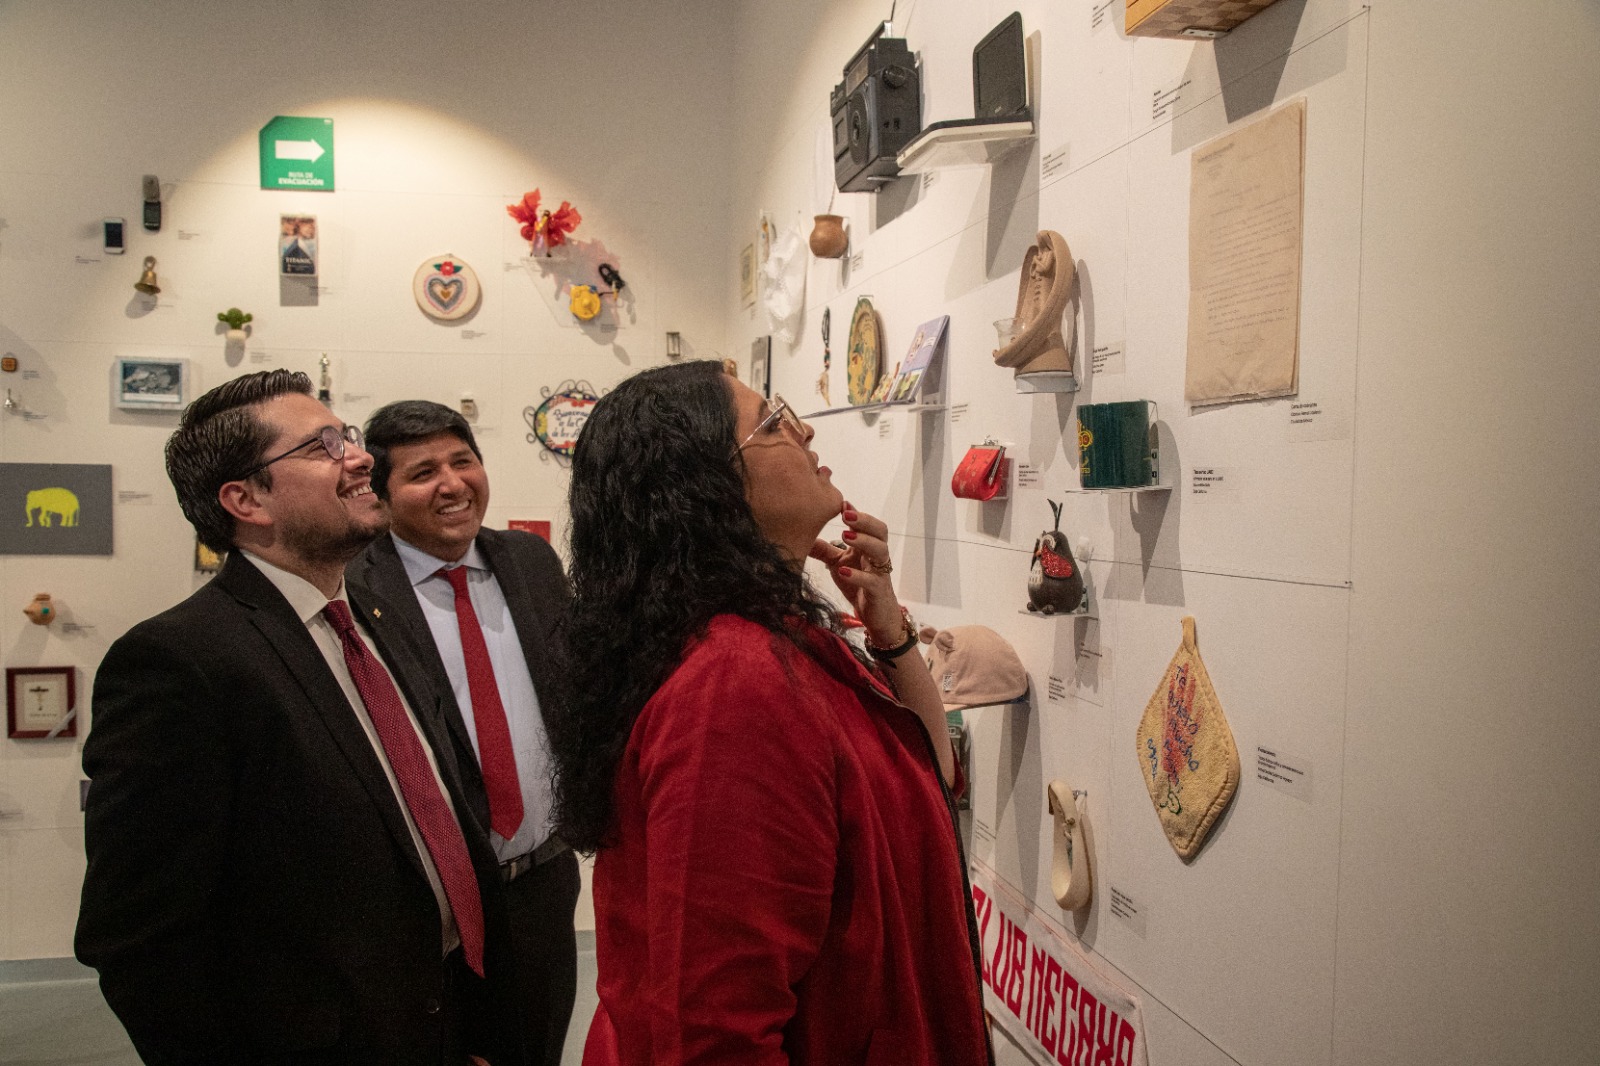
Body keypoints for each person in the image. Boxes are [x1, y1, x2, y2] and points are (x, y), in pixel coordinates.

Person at [549, 360, 992, 1066]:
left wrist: (890, 634)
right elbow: (714, 1032)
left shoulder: (774, 634)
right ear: (708, 482)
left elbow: (930, 774)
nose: (805, 429)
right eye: (774, 421)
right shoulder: (734, 681)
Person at [76, 370, 521, 1066]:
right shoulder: (179, 662)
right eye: (322, 447)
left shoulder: (375, 620)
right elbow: (140, 941)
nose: (360, 457)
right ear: (245, 500)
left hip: (440, 1021)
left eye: (347, 436)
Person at [348, 400, 579, 1066]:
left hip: (541, 883)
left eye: (463, 462)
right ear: (381, 494)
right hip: (432, 905)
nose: (452, 484)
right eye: (423, 473)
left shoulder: (530, 562)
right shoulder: (355, 587)